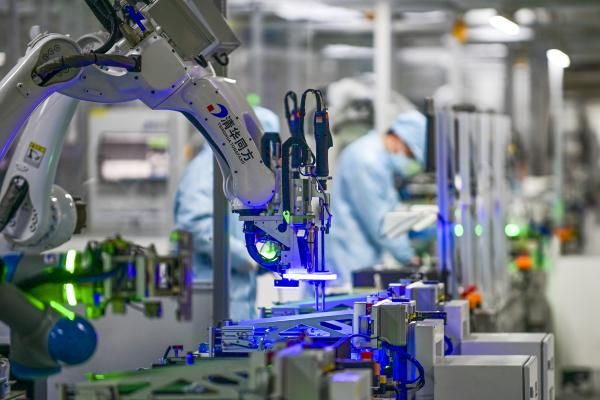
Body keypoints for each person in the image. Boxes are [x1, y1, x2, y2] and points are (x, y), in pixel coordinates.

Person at [174, 106, 280, 321]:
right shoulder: (209, 167)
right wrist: (247, 257)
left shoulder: (236, 171)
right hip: (212, 297)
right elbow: (195, 225)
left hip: (233, 296)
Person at [326, 110, 427, 288]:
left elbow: (390, 211)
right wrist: (409, 257)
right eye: (409, 154)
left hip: (358, 257)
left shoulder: (377, 160)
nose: (408, 161)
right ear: (398, 138)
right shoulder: (367, 160)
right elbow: (381, 223)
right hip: (348, 260)